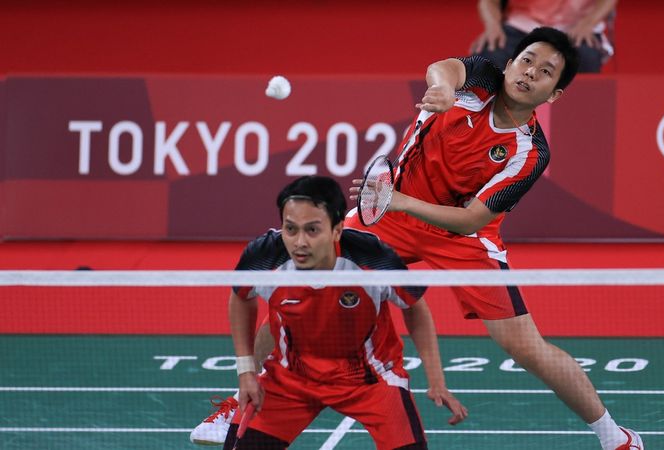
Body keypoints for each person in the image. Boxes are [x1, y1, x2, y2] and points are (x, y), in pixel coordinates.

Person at [346, 27, 642, 450]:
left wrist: (399, 203)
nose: (529, 73)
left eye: (545, 72)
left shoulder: (531, 153)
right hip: (390, 209)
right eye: (526, 60)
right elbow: (442, 69)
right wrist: (442, 89)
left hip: (458, 236)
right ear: (508, 64)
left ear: (554, 94)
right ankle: (243, 404)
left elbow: (469, 221)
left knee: (526, 348)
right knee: (299, 279)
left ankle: (617, 438)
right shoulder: (480, 78)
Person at [195, 175, 466, 449]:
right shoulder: (265, 256)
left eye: (312, 230)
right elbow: (240, 298)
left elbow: (415, 307)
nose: (299, 242)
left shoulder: (371, 257)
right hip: (292, 377)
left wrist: (436, 380)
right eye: (290, 229)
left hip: (369, 379)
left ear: (337, 230)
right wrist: (246, 373)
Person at [470, 0, 617, 73]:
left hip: (574, 27)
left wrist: (588, 23)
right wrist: (493, 26)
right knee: (489, 55)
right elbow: (490, 1)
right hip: (521, 25)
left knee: (586, 57)